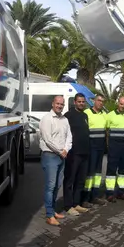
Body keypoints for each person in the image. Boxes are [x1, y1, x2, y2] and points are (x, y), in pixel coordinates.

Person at [39, 95, 72, 226]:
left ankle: (52, 212)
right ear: (53, 104)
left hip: (61, 155)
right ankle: (49, 215)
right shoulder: (47, 119)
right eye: (57, 103)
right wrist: (61, 151)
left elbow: (69, 136)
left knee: (57, 185)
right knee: (50, 186)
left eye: (62, 104)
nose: (59, 106)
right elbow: (48, 139)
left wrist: (66, 149)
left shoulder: (64, 119)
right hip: (50, 156)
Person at [63, 93, 92, 216]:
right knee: (70, 179)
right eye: (79, 101)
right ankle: (68, 206)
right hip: (73, 154)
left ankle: (76, 203)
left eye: (83, 101)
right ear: (74, 102)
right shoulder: (68, 116)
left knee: (80, 180)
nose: (81, 103)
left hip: (85, 153)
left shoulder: (85, 115)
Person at [105, 96, 124, 202]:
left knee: (123, 171)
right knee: (111, 170)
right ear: (118, 103)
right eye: (121, 104)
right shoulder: (110, 115)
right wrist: (108, 146)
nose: (123, 106)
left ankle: (122, 192)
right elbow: (106, 131)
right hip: (113, 146)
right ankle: (110, 193)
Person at [83, 94, 108, 206]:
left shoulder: (104, 115)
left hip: (100, 148)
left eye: (102, 101)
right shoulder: (87, 113)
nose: (100, 103)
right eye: (99, 100)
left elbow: (106, 130)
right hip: (90, 147)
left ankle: (95, 196)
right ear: (94, 101)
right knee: (90, 173)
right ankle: (85, 198)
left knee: (98, 173)